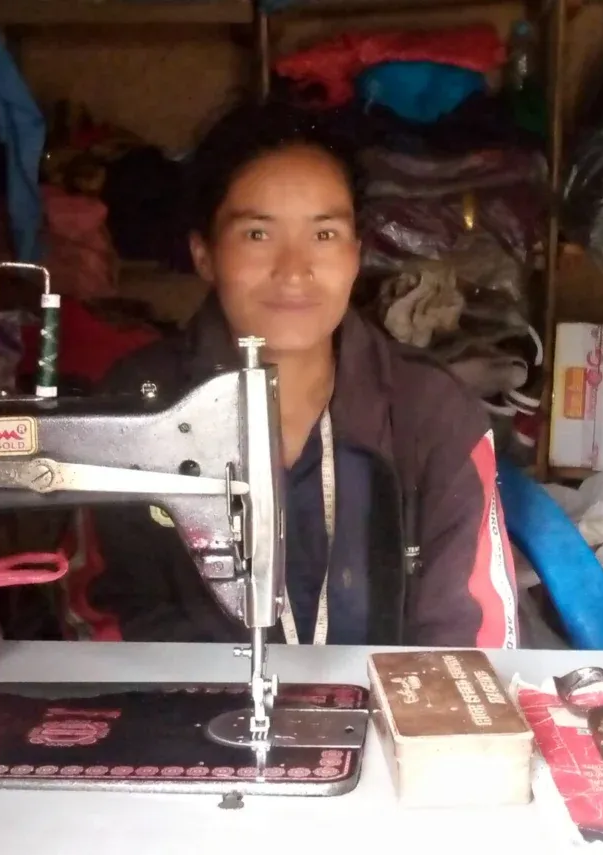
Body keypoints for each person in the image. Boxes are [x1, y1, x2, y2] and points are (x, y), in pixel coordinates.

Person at [75, 108, 519, 648]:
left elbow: (469, 639)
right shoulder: (134, 408)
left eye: (324, 234)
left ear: (356, 255)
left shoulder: (431, 413)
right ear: (204, 255)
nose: (293, 270)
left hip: (388, 702)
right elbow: (106, 620)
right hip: (185, 700)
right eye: (258, 234)